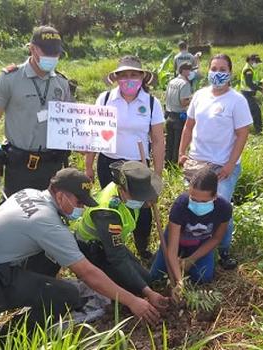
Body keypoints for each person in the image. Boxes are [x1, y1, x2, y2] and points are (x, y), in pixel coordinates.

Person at [0, 168, 165, 348]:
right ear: (60, 196)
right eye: (79, 202)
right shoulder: (46, 222)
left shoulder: (30, 193)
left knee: (55, 256)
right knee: (66, 295)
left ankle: (37, 296)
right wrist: (132, 301)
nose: (82, 208)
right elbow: (87, 273)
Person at [85, 56, 165, 259]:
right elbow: (94, 134)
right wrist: (88, 166)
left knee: (143, 209)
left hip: (138, 164)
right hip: (109, 162)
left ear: (142, 77)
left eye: (134, 75)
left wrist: (157, 172)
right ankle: (112, 247)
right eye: (124, 75)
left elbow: (157, 139)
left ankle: (142, 248)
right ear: (116, 78)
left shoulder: (152, 103)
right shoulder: (104, 99)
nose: (129, 79)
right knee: (112, 205)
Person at [178, 54, 253, 270]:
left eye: (222, 69)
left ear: (229, 73)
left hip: (222, 166)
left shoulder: (237, 100)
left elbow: (242, 134)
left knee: (222, 209)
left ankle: (224, 250)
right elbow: (189, 126)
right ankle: (192, 245)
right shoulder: (200, 95)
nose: (217, 72)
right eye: (214, 68)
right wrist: (182, 152)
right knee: (193, 206)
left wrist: (230, 164)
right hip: (197, 163)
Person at [0, 26, 74, 197]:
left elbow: (70, 123)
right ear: (32, 48)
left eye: (55, 53)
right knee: (16, 214)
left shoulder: (61, 83)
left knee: (50, 215)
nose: (52, 57)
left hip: (52, 164)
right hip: (19, 165)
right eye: (46, 52)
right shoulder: (10, 78)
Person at [75, 161, 168, 307]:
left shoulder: (129, 192)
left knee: (147, 279)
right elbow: (117, 258)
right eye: (138, 197)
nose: (144, 202)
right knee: (131, 290)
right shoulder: (107, 212)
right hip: (92, 252)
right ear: (121, 190)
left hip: (112, 245)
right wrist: (148, 293)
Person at [150, 167, 232, 289]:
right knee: (156, 277)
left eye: (204, 201)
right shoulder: (180, 205)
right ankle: (163, 255)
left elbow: (216, 238)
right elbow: (172, 249)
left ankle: (183, 260)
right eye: (193, 199)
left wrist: (191, 260)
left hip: (199, 244)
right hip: (176, 241)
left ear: (214, 196)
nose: (198, 204)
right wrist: (179, 282)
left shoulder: (224, 208)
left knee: (203, 277)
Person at [165, 62, 193, 165]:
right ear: (184, 71)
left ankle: (167, 165)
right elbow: (183, 102)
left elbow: (166, 96)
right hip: (179, 117)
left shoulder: (172, 82)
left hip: (169, 115)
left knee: (169, 143)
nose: (190, 72)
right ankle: (175, 166)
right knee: (177, 144)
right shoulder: (185, 84)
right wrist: (193, 99)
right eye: (189, 70)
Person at [240, 54, 263, 133]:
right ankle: (258, 131)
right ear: (251, 60)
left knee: (249, 111)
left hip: (248, 94)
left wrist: (261, 83)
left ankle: (246, 128)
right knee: (256, 111)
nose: (257, 64)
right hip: (246, 94)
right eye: (256, 62)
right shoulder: (248, 70)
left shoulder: (250, 68)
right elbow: (249, 84)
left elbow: (253, 81)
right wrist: (261, 89)